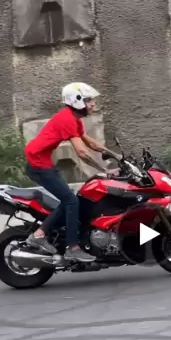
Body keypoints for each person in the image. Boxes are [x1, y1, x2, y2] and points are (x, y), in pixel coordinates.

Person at [24, 82, 118, 262]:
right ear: (77, 101)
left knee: (71, 199)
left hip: (44, 161)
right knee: (71, 201)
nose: (93, 104)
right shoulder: (67, 119)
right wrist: (105, 171)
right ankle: (67, 246)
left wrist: (117, 156)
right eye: (88, 100)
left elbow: (90, 143)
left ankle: (50, 234)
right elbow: (82, 152)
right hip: (38, 164)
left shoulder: (74, 119)